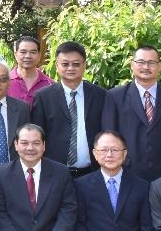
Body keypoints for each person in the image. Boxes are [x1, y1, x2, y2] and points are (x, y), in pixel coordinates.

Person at [102, 44, 161, 183]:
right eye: (141, 62)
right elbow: (109, 136)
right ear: (132, 65)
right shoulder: (115, 96)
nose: (146, 67)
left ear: (160, 66)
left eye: (151, 63)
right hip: (127, 173)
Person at [31, 41, 106, 178]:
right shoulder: (43, 97)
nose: (70, 68)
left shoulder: (101, 95)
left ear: (84, 65)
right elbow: (37, 136)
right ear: (57, 66)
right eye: (65, 64)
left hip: (92, 172)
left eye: (76, 64)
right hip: (54, 173)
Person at [8, 35, 53, 109]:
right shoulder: (4, 82)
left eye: (33, 52)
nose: (28, 56)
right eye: (23, 52)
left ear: (39, 56)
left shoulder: (50, 84)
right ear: (15, 55)